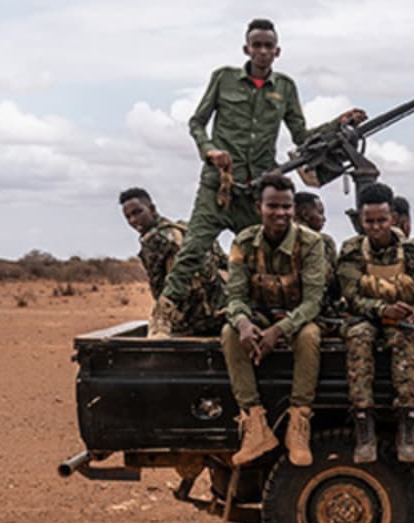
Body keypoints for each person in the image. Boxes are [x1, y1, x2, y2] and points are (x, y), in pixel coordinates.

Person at [154, 19, 362, 336]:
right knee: (193, 251)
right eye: (257, 45)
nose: (262, 51)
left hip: (255, 193)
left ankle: (256, 318)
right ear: (246, 48)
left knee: (261, 258)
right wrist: (210, 150)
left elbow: (302, 136)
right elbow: (197, 122)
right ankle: (163, 316)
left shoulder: (285, 88)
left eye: (268, 46)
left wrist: (337, 124)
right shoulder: (223, 79)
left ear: (277, 51)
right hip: (218, 188)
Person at [220, 174, 329, 468]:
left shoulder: (310, 242)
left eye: (286, 206)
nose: (280, 213)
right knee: (229, 334)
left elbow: (312, 302)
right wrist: (243, 323)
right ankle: (255, 424)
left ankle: (299, 422)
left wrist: (278, 331)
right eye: (273, 206)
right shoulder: (243, 242)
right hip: (259, 315)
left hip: (296, 318)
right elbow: (236, 295)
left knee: (309, 336)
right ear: (259, 208)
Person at [335, 181, 414, 464]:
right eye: (369, 221)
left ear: (392, 219)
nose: (375, 227)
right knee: (359, 337)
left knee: (405, 339)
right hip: (366, 317)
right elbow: (352, 295)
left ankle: (407, 427)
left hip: (401, 319)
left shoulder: (410, 252)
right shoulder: (351, 251)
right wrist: (383, 309)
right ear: (361, 220)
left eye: (381, 220)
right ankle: (364, 428)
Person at [119, 187, 227, 335]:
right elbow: (225, 262)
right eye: (128, 217)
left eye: (137, 212)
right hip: (223, 313)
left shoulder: (154, 240)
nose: (133, 220)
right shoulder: (187, 229)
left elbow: (159, 291)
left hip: (192, 322)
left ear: (152, 209)